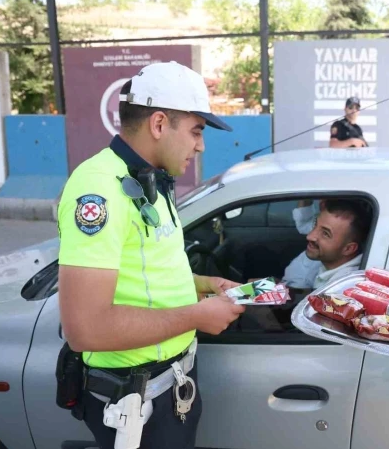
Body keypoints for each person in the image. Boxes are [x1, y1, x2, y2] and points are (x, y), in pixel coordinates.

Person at [56, 61, 246, 449]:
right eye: (196, 131)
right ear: (159, 124)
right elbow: (84, 329)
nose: (201, 144)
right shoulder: (98, 190)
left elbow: (143, 269)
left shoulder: (151, 178)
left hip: (169, 386)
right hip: (135, 405)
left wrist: (202, 284)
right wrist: (197, 316)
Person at [305, 199, 371, 289]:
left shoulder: (343, 287)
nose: (309, 236)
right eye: (315, 224)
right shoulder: (330, 264)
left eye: (325, 233)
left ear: (348, 249)